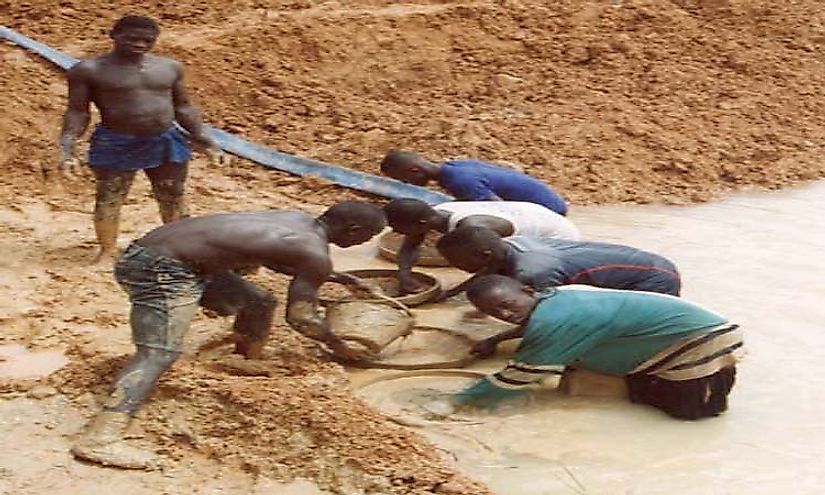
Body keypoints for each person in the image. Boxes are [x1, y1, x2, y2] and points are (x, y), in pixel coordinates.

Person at [70, 201, 386, 469]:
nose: (364, 244)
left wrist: (339, 278)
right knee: (159, 353)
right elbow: (302, 318)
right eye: (367, 237)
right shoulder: (314, 252)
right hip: (159, 267)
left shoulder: (295, 220)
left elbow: (276, 256)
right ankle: (100, 437)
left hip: (158, 250)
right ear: (353, 231)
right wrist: (337, 344)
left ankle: (246, 362)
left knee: (260, 302)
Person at [433, 275, 743, 420]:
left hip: (703, 337)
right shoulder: (558, 295)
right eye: (493, 312)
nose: (503, 315)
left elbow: (520, 376)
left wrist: (459, 401)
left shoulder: (555, 321)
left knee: (692, 415)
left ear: (527, 291)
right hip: (685, 325)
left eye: (506, 305)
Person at [58, 15, 225, 263]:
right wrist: (68, 148)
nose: (139, 44)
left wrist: (206, 140)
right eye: (131, 38)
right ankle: (107, 252)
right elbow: (77, 111)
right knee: (110, 196)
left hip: (165, 140)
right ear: (113, 35)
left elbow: (184, 107)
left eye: (147, 40)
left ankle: (178, 249)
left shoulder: (169, 67)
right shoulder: (89, 70)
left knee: (173, 194)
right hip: (116, 142)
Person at [436, 226, 682, 351]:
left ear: (484, 254)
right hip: (633, 264)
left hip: (653, 278)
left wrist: (495, 340)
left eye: (458, 262)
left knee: (626, 339)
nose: (456, 267)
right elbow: (486, 273)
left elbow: (547, 317)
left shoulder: (534, 272)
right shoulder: (508, 246)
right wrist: (450, 294)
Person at [383, 198, 580, 294]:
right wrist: (404, 275)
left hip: (555, 237)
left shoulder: (474, 228)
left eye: (397, 227)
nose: (397, 232)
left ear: (421, 224)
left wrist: (450, 294)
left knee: (514, 282)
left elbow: (491, 264)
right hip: (529, 214)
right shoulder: (433, 214)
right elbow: (410, 247)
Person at [379, 151, 568, 215]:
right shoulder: (456, 166)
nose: (406, 183)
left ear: (415, 170)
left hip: (550, 212)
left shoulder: (460, 181)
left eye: (404, 179)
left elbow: (501, 211)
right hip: (551, 201)